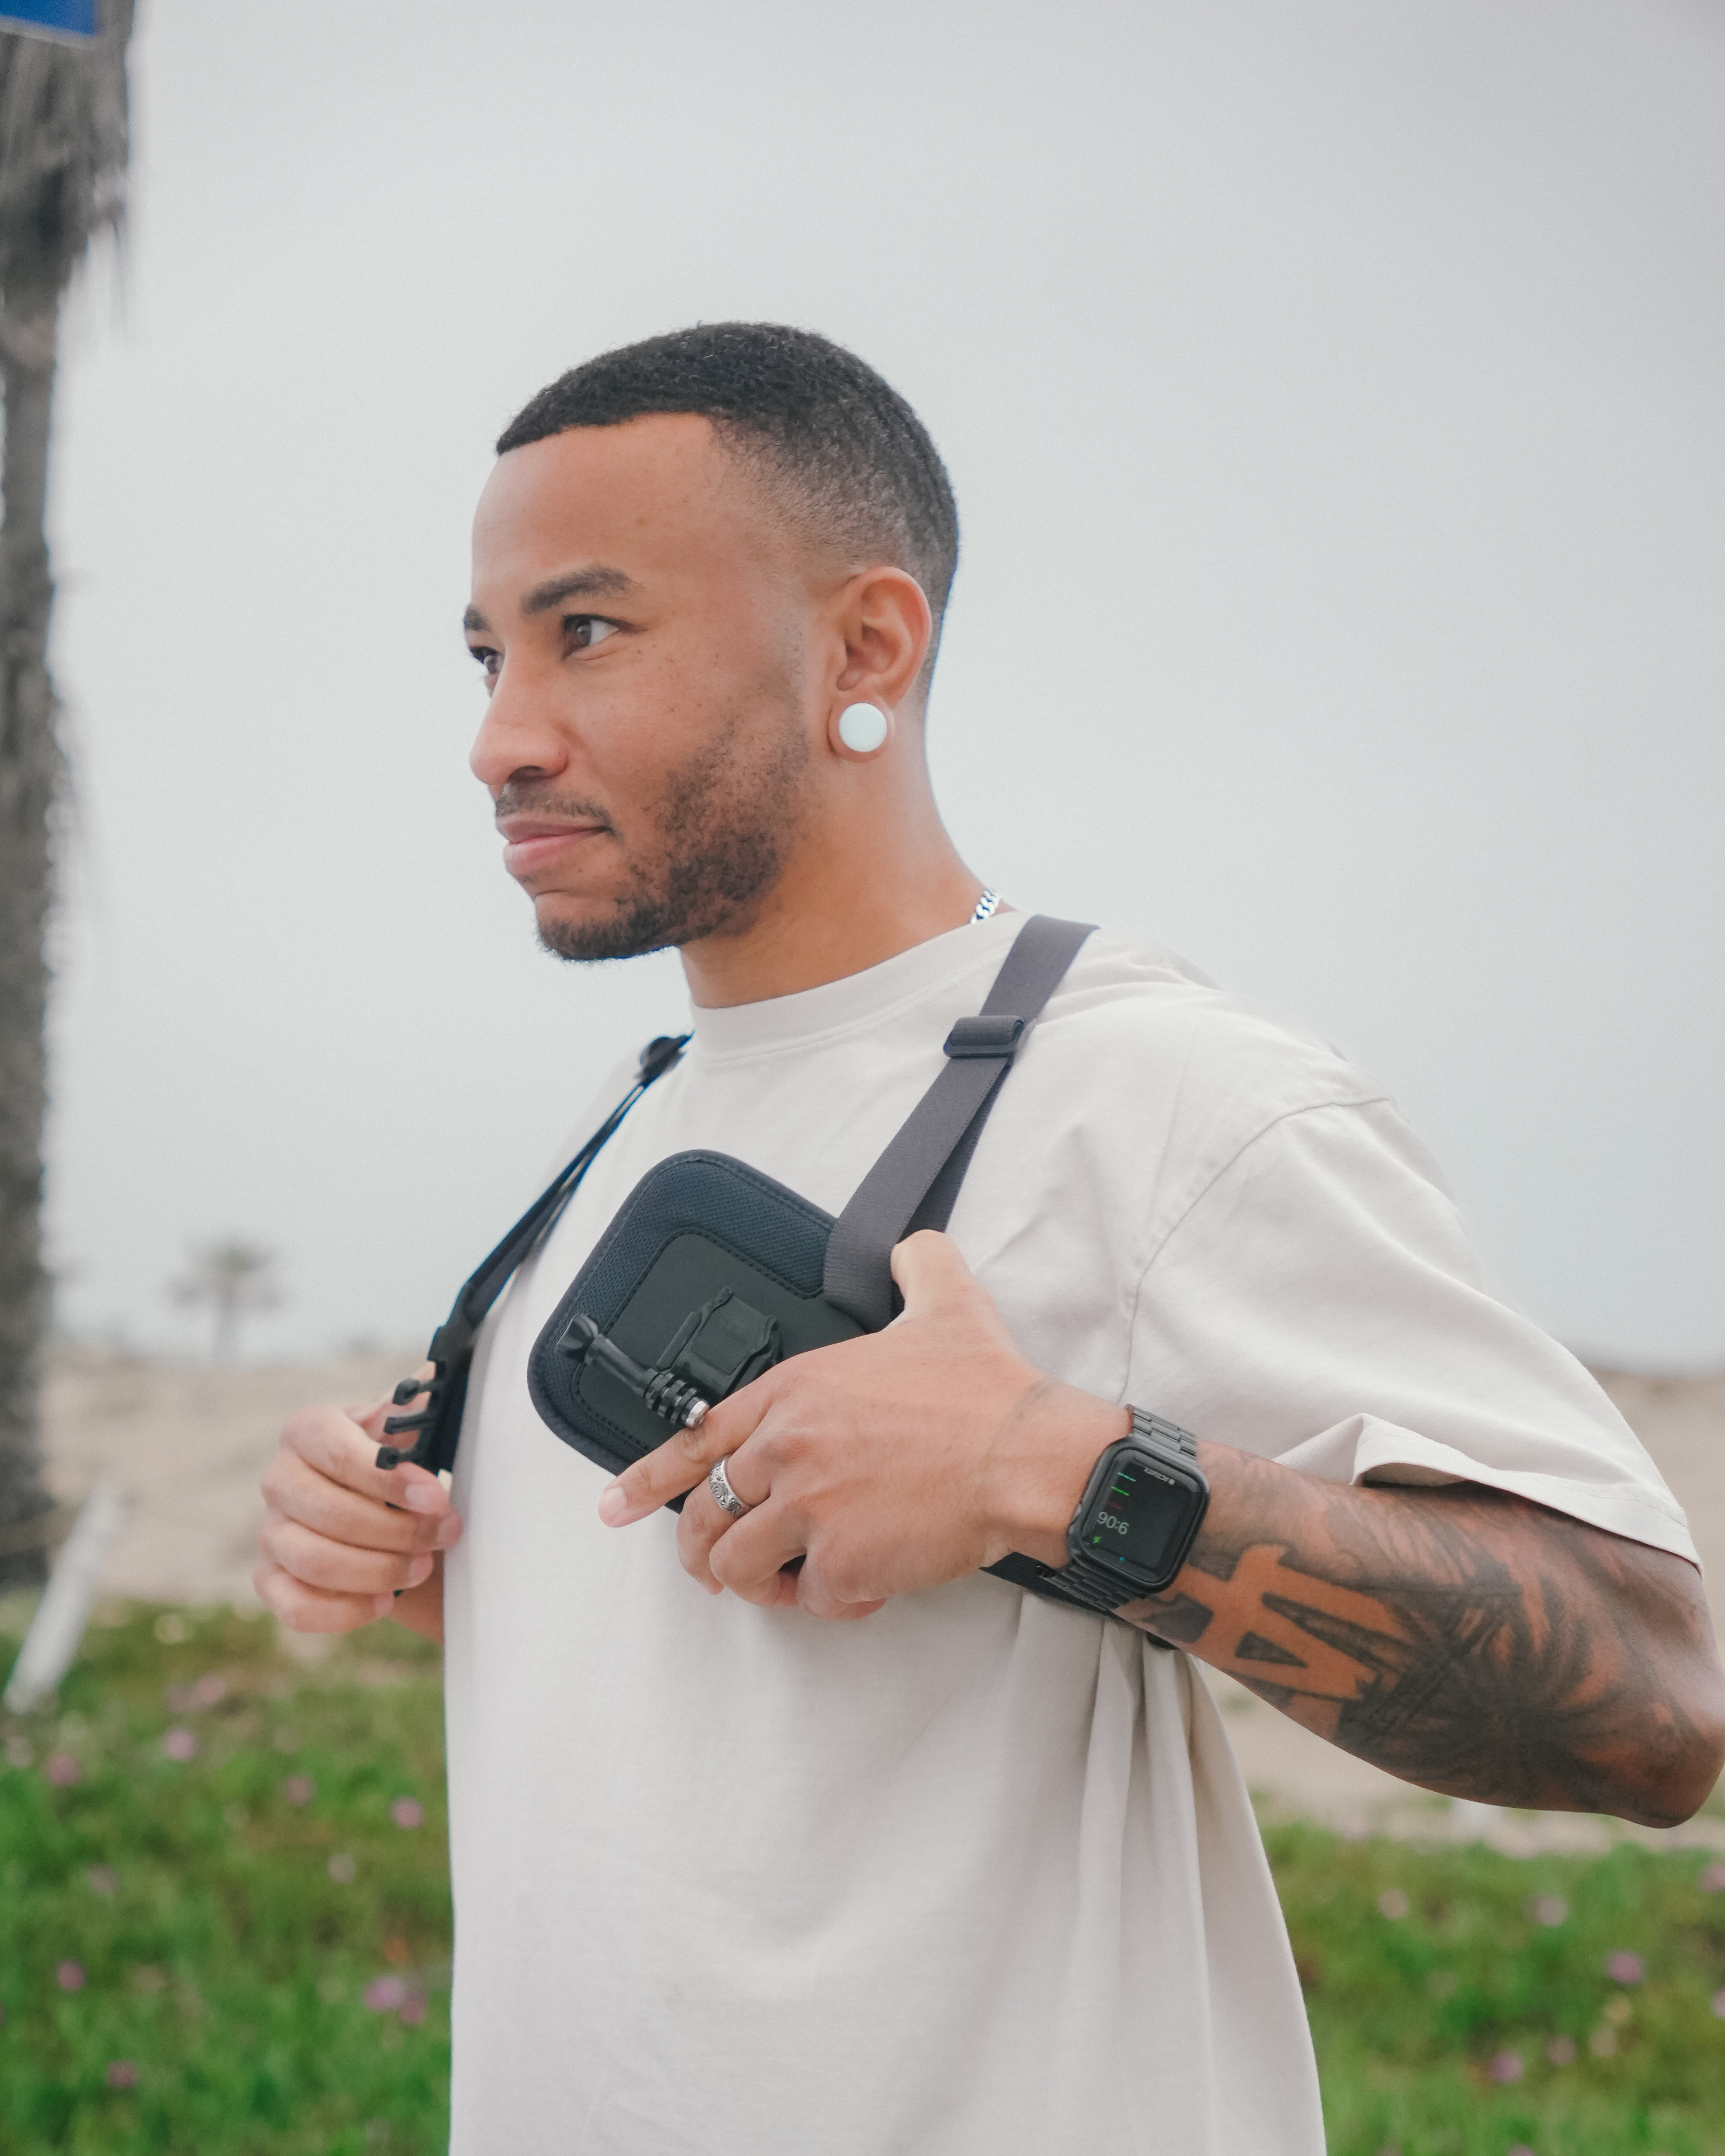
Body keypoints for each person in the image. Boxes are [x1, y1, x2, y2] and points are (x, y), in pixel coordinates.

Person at [254, 323, 1725, 2155]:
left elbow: (1654, 1704)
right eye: (488, 656)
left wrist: (1059, 1469)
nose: (501, 740)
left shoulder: (1167, 1095)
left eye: (591, 632)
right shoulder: (627, 1115)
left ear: (865, 649)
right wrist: (401, 1549)